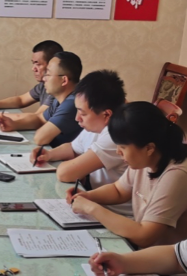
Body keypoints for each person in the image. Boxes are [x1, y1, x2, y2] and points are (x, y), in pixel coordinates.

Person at [69, 101, 187, 248]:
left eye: (123, 147)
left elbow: (144, 237)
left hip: (166, 259)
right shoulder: (146, 159)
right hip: (146, 252)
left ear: (149, 148)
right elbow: (118, 191)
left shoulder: (177, 175)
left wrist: (91, 208)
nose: (118, 152)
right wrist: (88, 196)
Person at [31, 70, 132, 216]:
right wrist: (49, 154)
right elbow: (73, 148)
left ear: (106, 114)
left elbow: (66, 174)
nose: (77, 118)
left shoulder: (116, 136)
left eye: (82, 113)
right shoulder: (97, 124)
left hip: (116, 215)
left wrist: (72, 165)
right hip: (96, 205)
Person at [0, 51, 83, 148]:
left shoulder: (73, 103)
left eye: (48, 74)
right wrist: (14, 124)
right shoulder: (59, 99)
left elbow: (40, 138)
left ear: (64, 80)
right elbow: (39, 119)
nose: (44, 79)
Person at [0, 40, 63, 121]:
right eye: (33, 63)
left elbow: (37, 117)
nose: (33, 69)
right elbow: (21, 100)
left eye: (38, 64)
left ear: (52, 65)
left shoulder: (57, 88)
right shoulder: (43, 85)